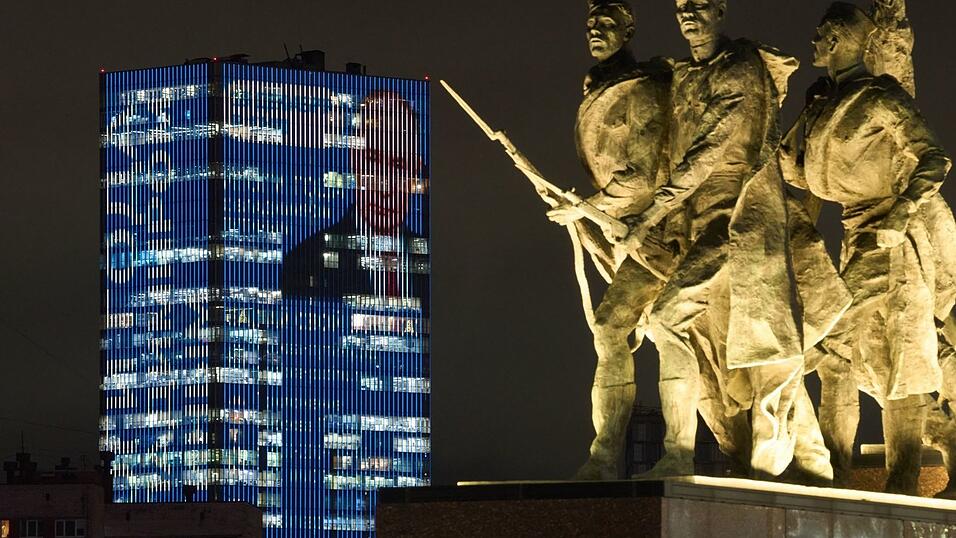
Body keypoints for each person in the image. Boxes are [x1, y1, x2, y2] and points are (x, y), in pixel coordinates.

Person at [620, 0, 834, 481]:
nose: (687, 14)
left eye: (698, 6)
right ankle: (814, 461)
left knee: (671, 316)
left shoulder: (738, 67)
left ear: (720, 11)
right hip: (691, 225)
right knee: (751, 356)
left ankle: (676, 453)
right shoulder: (684, 76)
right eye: (680, 7)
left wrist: (651, 212)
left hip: (736, 221)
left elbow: (706, 152)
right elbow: (659, 153)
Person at [780, 2, 956, 495]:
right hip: (852, 235)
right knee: (840, 357)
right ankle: (832, 471)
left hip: (893, 240)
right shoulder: (821, 101)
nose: (813, 42)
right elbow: (794, 170)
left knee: (896, 357)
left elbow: (934, 157)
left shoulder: (882, 96)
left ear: (838, 40)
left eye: (820, 35)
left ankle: (901, 480)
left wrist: (901, 212)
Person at [546, 0, 684, 480]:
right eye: (590, 25)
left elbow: (643, 177)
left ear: (629, 30)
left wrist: (585, 206)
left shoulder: (641, 88)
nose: (595, 32)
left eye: (606, 25)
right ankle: (605, 456)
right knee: (609, 329)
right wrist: (587, 208)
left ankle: (681, 453)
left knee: (670, 331)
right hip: (629, 236)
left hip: (666, 233)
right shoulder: (600, 87)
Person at [282, 91, 429, 314]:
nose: (384, 180)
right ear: (354, 160)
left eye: (398, 164)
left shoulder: (432, 264)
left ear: (415, 169)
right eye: (372, 160)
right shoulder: (307, 259)